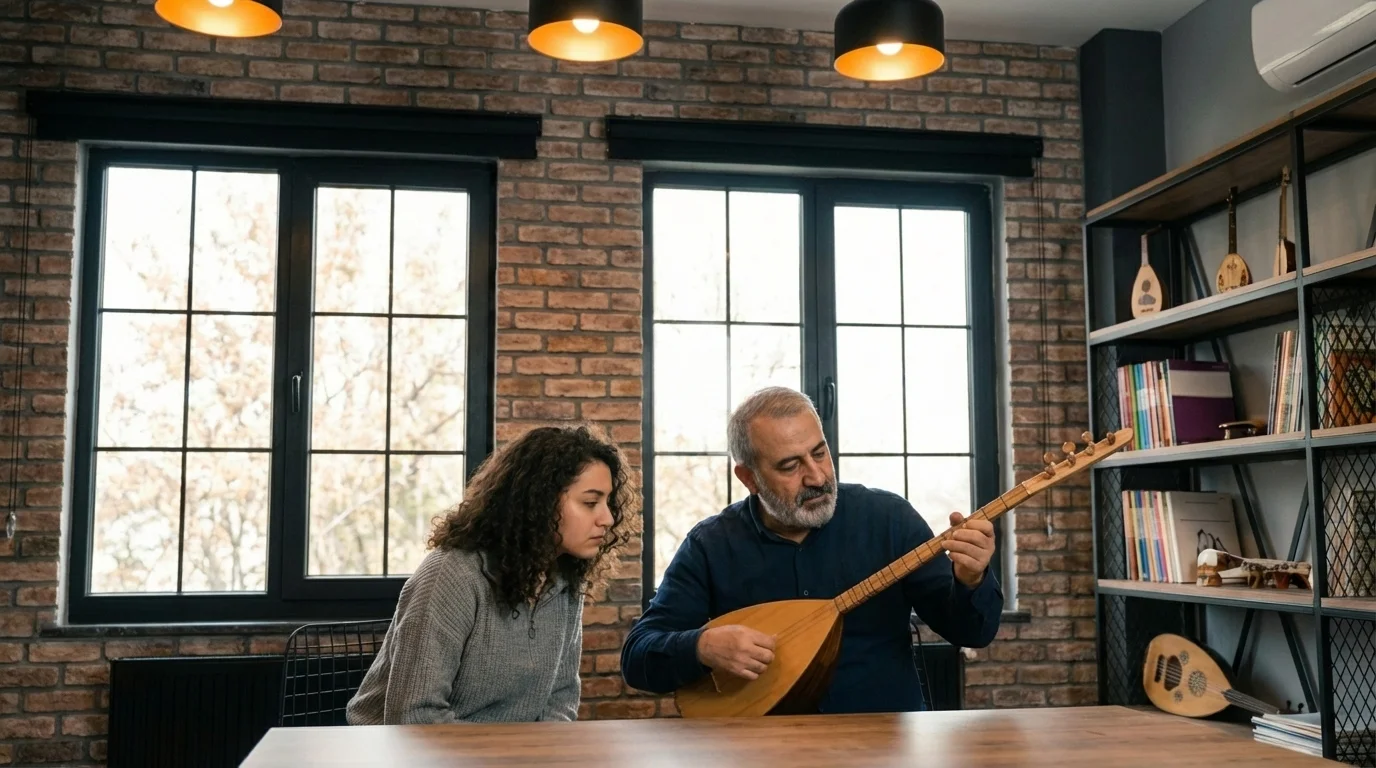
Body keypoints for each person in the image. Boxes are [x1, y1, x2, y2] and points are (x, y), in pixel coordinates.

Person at [621, 386, 1001, 714]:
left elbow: (973, 633)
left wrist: (971, 579)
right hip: (763, 752)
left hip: (882, 745)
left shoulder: (888, 520)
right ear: (749, 477)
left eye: (819, 453)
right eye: (790, 466)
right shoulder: (711, 545)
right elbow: (638, 657)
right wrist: (700, 646)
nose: (817, 477)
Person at [346, 424, 638, 725]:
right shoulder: (452, 574)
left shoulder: (566, 581)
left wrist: (544, 754)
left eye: (607, 502)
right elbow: (416, 717)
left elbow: (560, 699)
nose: (608, 518)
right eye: (590, 503)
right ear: (539, 501)